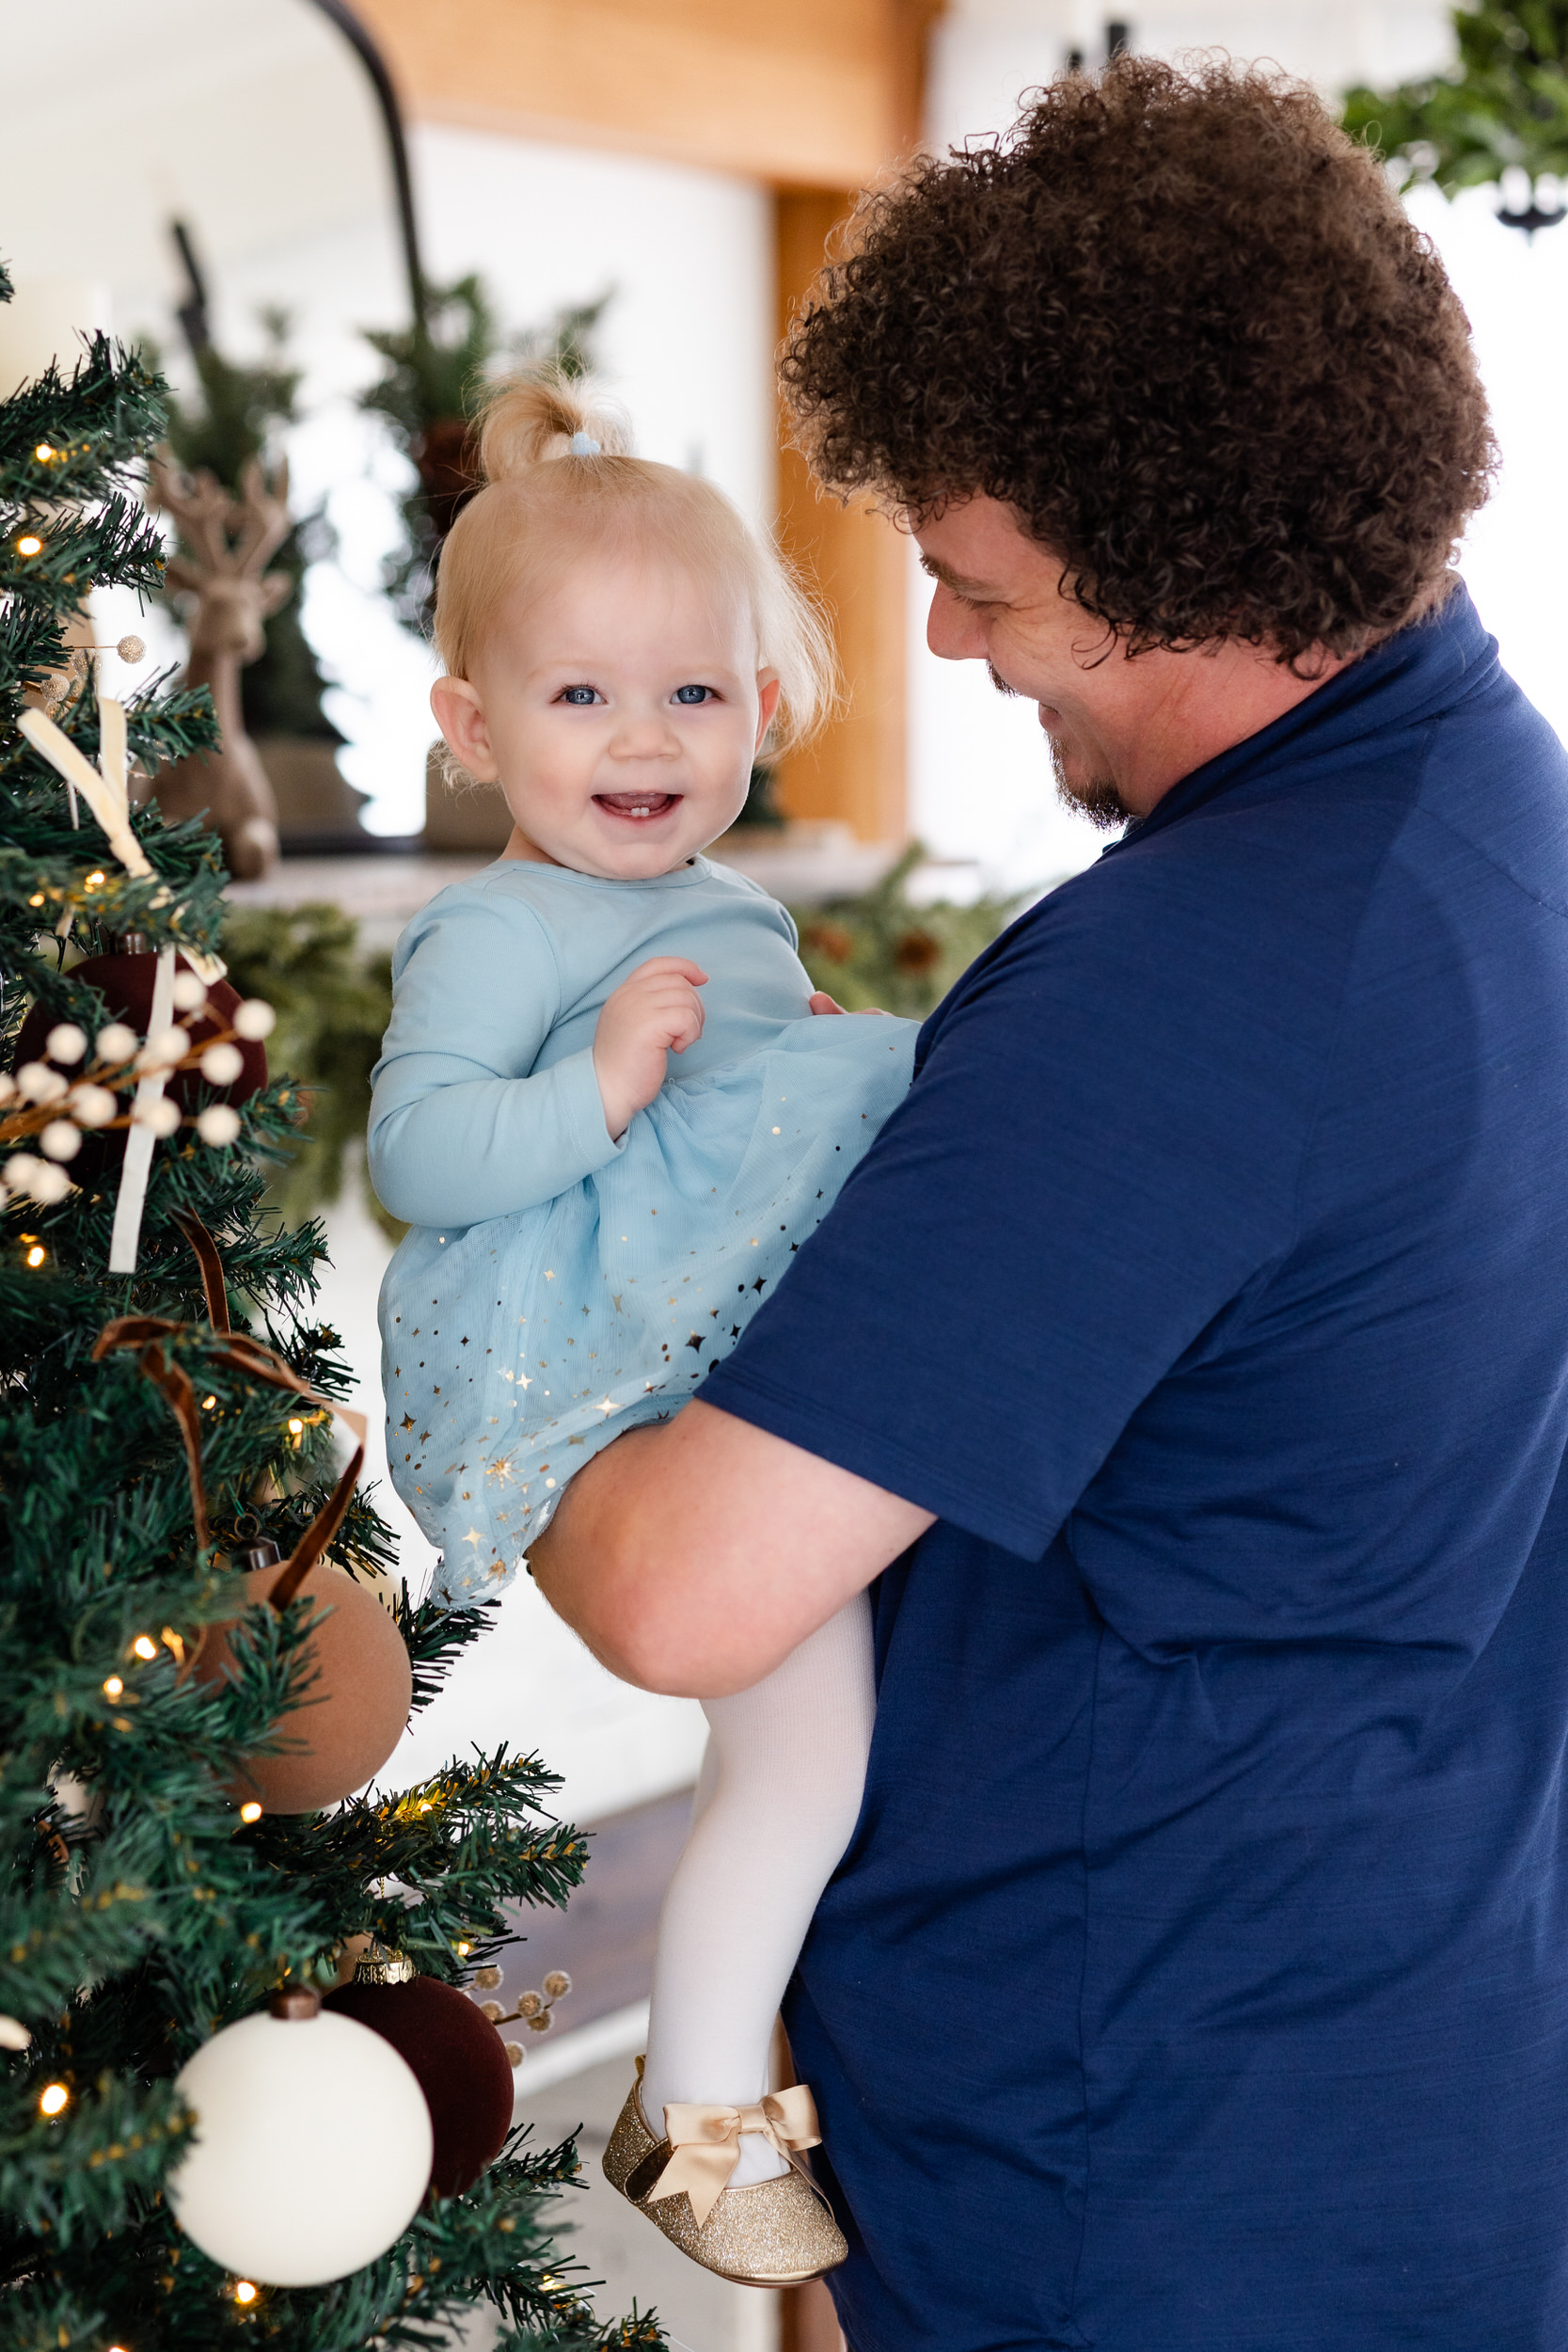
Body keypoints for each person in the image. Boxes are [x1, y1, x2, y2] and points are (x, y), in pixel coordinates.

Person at [530, 58, 1568, 2352]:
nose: (957, 648)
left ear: (1165, 542)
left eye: (977, 584)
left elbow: (687, 1586)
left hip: (1142, 2175)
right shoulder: (1506, 816)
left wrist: (486, 1373)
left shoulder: (1198, 985)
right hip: (1410, 2076)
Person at [366, 372, 919, 2288]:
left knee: (808, 1756)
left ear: (763, 707)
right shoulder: (494, 932)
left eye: (693, 689)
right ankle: (700, 2109)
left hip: (735, 1368)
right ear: (472, 725)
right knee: (804, 1754)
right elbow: (419, 1152)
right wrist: (601, 1086)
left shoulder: (734, 909)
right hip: (590, 1347)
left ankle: (702, 2089)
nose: (644, 737)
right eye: (581, 693)